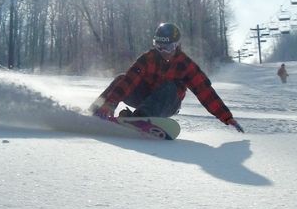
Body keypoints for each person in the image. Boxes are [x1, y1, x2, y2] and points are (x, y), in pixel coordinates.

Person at [89, 22, 244, 133]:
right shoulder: (148, 58)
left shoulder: (185, 65)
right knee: (121, 78)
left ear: (176, 46)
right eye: (158, 46)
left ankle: (138, 119)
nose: (163, 51)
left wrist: (227, 118)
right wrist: (109, 104)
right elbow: (129, 81)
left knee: (170, 86)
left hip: (168, 103)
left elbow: (205, 92)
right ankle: (95, 113)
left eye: (167, 47)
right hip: (146, 99)